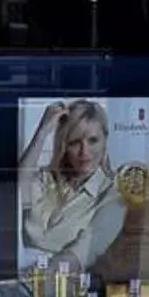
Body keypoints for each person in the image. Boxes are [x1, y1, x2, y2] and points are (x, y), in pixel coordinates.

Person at [19, 98, 123, 274]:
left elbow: (82, 252)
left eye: (93, 140)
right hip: (21, 277)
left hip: (60, 285)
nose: (84, 152)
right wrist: (42, 132)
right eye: (75, 142)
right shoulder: (46, 179)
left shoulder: (113, 195)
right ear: (64, 145)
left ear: (105, 141)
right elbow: (13, 193)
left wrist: (32, 280)